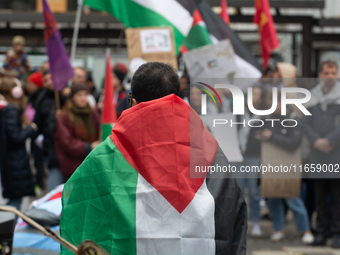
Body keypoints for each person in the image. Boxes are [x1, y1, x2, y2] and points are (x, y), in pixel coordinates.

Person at [60, 62, 247, 255]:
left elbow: (80, 208)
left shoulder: (106, 153)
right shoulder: (210, 150)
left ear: (133, 102)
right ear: (178, 98)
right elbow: (233, 210)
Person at [261, 90, 314, 244]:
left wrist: (272, 137)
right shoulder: (267, 118)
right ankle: (279, 229)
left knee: (293, 198)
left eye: (273, 102)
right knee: (273, 198)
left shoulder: (293, 118)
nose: (270, 105)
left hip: (289, 165)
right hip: (271, 165)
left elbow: (294, 143)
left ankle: (306, 229)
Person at [302, 60, 340, 248]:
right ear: (321, 75)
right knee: (319, 197)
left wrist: (330, 141)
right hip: (317, 154)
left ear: (337, 74)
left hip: (336, 154)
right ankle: (322, 232)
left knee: (337, 198)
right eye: (327, 72)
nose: (330, 76)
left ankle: (336, 234)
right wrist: (317, 140)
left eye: (333, 72)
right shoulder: (312, 98)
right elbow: (305, 124)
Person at [0, 77, 37, 210]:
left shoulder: (5, 108)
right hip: (14, 162)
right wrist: (30, 129)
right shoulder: (11, 110)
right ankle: (7, 229)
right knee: (15, 201)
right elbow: (15, 137)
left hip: (11, 161)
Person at [54, 83, 100, 181]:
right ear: (73, 97)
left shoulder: (92, 114)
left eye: (85, 94)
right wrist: (89, 146)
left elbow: (99, 132)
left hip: (90, 164)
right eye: (79, 95)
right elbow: (67, 142)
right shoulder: (65, 116)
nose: (83, 98)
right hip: (73, 167)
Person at [236, 86, 264, 237]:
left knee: (253, 191)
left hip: (254, 156)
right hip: (238, 156)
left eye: (256, 94)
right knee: (239, 191)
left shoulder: (263, 115)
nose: (253, 97)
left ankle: (256, 222)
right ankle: (240, 223)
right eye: (251, 94)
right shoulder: (239, 112)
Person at [33, 70, 66, 192]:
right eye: (45, 80)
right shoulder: (41, 100)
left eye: (50, 79)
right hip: (51, 150)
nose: (48, 83)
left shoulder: (66, 97)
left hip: (68, 150)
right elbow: (38, 124)